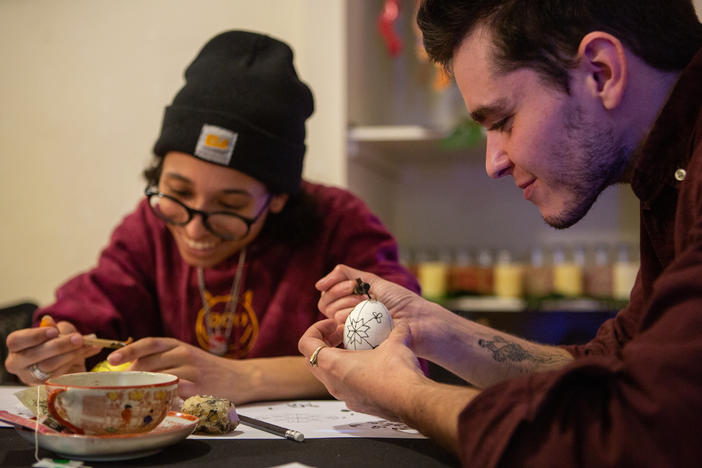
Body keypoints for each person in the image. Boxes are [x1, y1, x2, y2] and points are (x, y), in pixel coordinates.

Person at [298, 0, 702, 465]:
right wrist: (432, 327)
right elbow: (613, 363)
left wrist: (404, 394)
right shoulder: (671, 173)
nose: (493, 163)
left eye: (503, 122)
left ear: (601, 72)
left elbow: (628, 435)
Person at [5, 30, 420, 404]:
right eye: (179, 192)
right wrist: (50, 356)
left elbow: (409, 339)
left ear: (278, 198)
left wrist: (246, 377)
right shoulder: (152, 227)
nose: (193, 228)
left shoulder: (338, 224)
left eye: (230, 205)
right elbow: (87, 313)